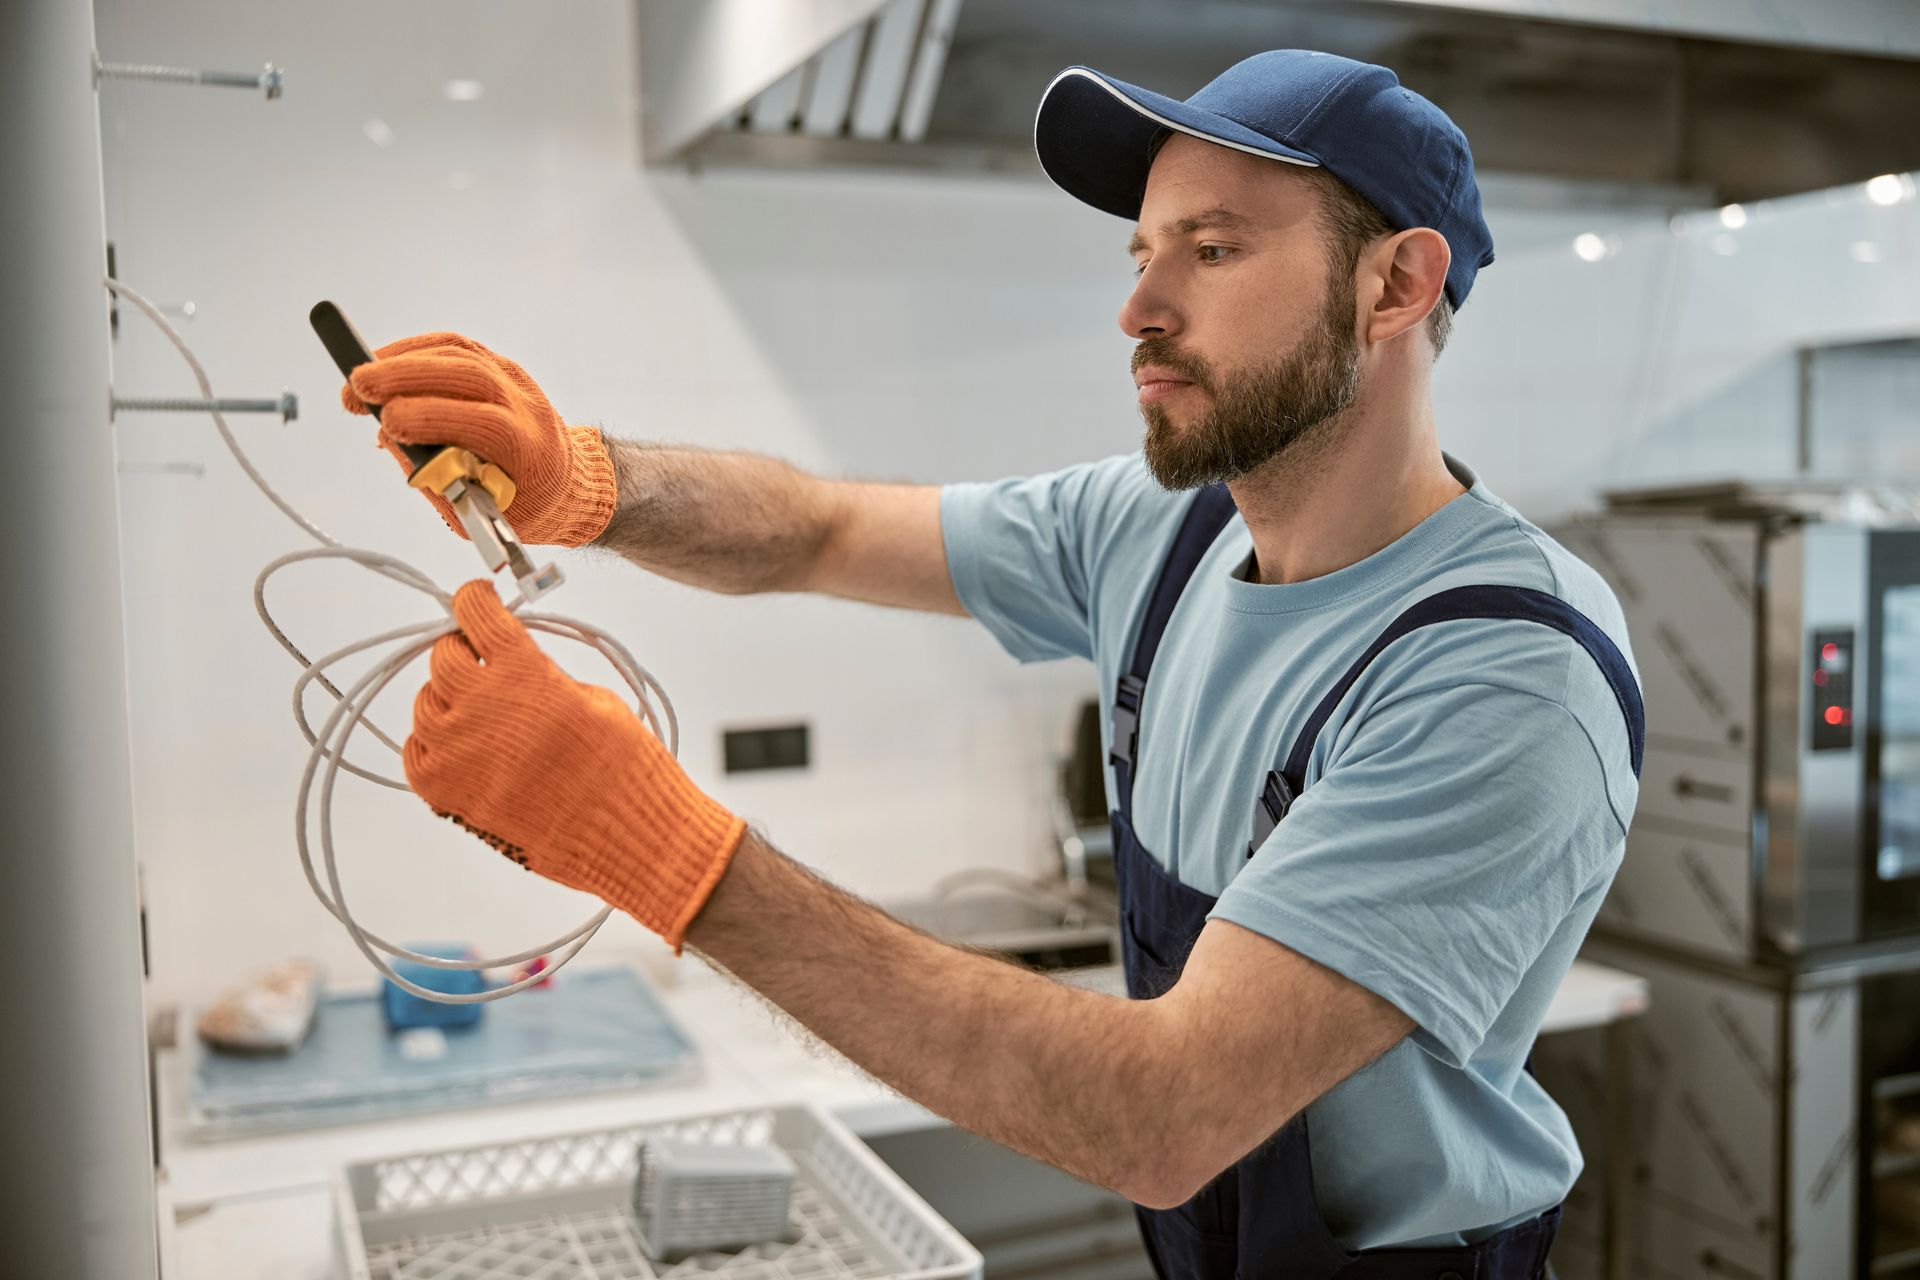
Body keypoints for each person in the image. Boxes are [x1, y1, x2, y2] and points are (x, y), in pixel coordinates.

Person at [345, 50, 1642, 1280]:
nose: (1138, 309)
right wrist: (584, 481)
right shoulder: (1167, 527)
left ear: (1396, 286)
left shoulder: (1507, 670)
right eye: (1142, 254)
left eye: (1213, 249)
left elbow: (1166, 1110)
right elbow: (826, 526)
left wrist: (647, 838)